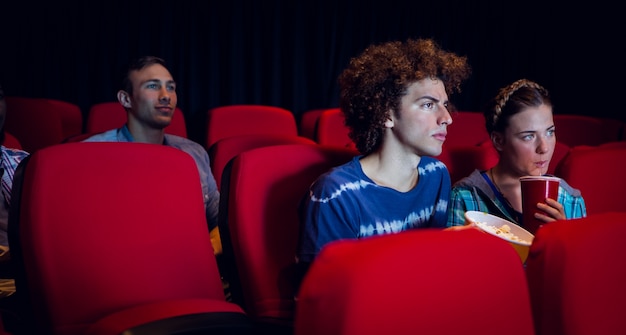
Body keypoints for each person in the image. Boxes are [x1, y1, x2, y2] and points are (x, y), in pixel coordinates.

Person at [295, 38, 471, 285]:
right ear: (387, 114)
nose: (447, 118)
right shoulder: (336, 194)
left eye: (444, 105)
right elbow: (322, 296)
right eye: (428, 104)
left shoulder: (436, 174)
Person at [82, 56, 222, 255]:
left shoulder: (194, 153)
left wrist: (210, 247)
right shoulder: (87, 155)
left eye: (171, 87)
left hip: (187, 267)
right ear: (125, 99)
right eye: (153, 86)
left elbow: (221, 220)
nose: (166, 96)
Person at [447, 78, 586, 228]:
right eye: (529, 136)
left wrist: (564, 238)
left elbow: (581, 252)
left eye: (550, 132)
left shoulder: (569, 199)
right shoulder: (466, 197)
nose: (544, 148)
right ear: (499, 141)